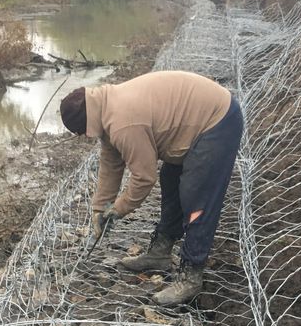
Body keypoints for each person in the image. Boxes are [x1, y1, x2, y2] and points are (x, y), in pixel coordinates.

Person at [59, 70, 244, 307]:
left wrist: (118, 209)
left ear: (86, 125)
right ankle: (160, 253)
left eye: (80, 132)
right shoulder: (104, 108)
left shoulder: (123, 123)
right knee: (171, 178)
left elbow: (144, 178)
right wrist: (99, 208)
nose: (84, 137)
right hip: (196, 121)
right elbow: (111, 163)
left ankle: (191, 276)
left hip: (217, 120)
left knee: (197, 197)